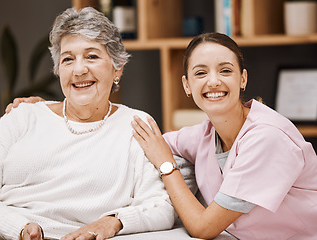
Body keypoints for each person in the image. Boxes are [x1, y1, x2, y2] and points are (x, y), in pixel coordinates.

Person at [0, 7, 176, 240]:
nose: (79, 70)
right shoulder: (22, 116)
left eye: (92, 56)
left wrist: (113, 222)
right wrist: (20, 228)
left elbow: (160, 206)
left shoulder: (136, 125)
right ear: (58, 69)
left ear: (117, 68)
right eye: (68, 59)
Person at [131, 32, 317, 240]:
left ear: (242, 79)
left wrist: (166, 166)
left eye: (225, 70)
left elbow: (203, 228)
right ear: (186, 85)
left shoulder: (268, 137)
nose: (213, 81)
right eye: (201, 73)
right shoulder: (206, 134)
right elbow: (153, 143)